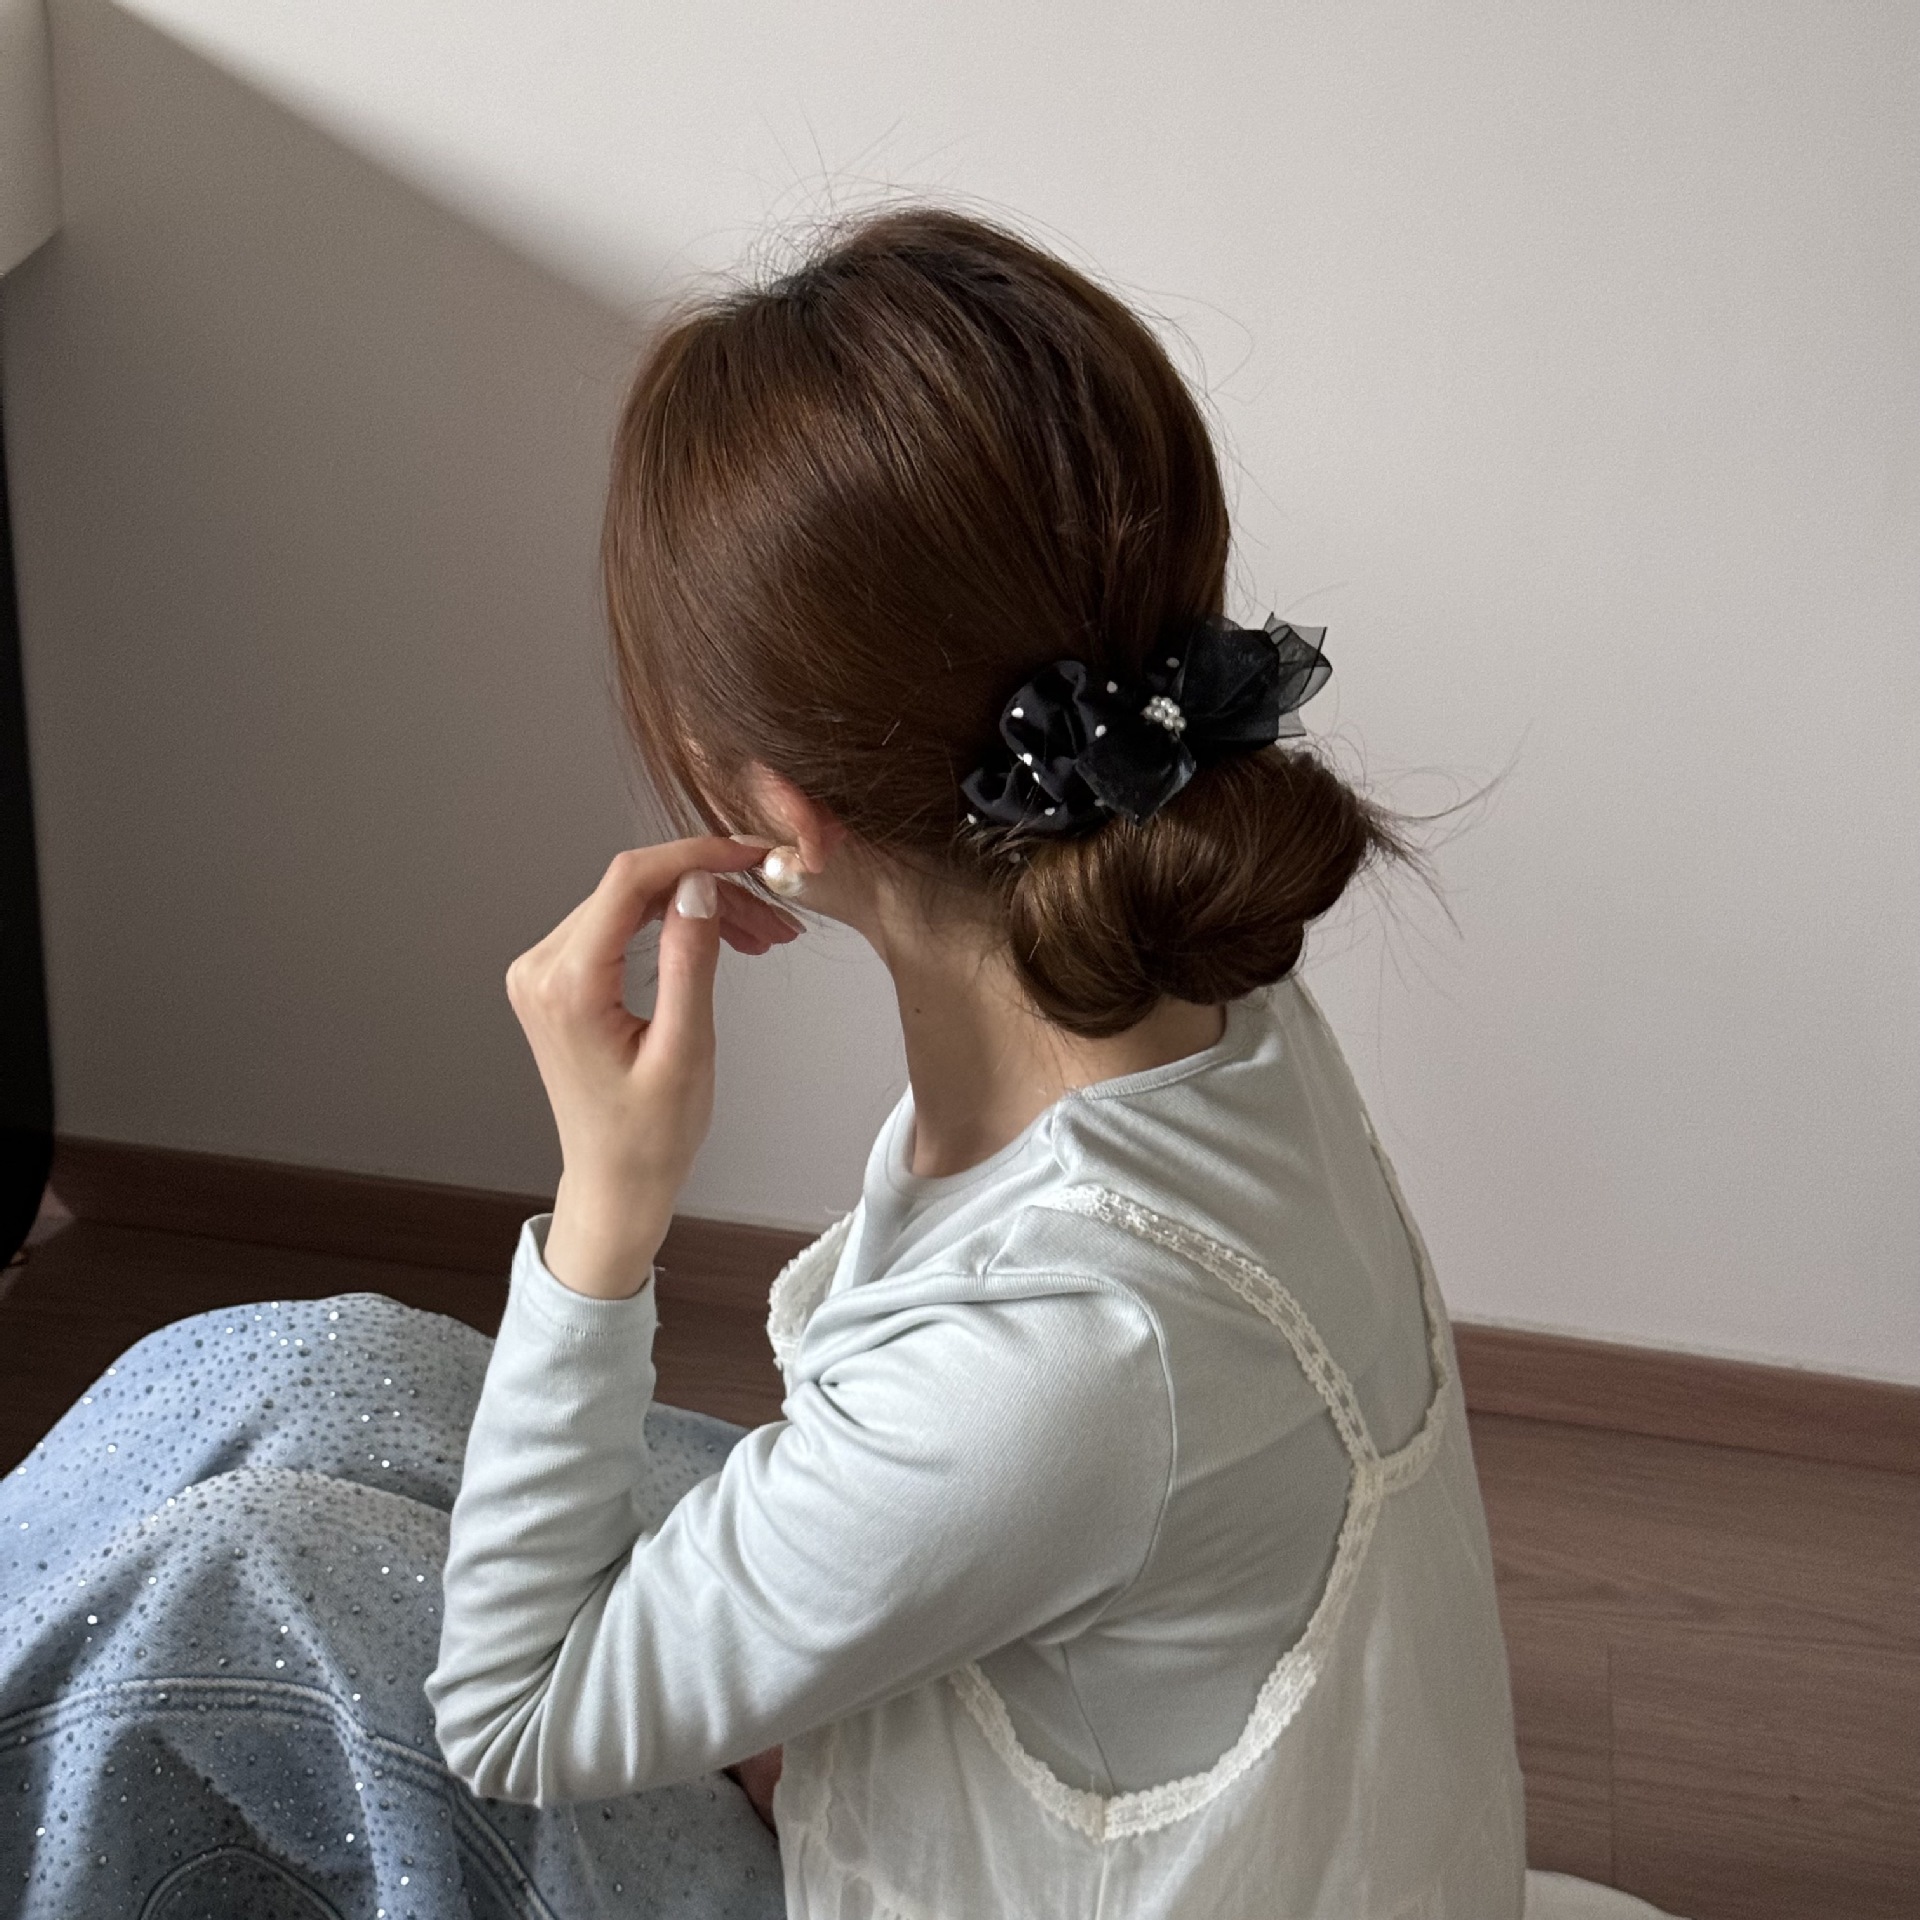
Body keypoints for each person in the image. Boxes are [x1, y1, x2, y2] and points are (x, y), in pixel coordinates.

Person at [1, 202, 1546, 1919]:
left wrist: (609, 1207)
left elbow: (514, 1714)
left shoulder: (1064, 1350)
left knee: (239, 1581)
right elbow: (1033, 1469)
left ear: (782, 814)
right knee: (296, 1369)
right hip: (1031, 1672)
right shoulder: (1197, 995)